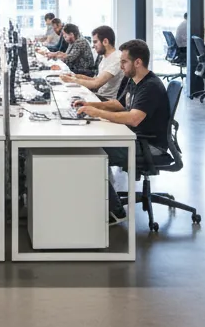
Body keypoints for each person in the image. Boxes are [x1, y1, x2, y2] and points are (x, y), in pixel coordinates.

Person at [71, 39, 171, 225]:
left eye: (124, 61)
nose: (121, 65)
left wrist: (97, 113)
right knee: (92, 145)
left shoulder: (151, 86)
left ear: (138, 62)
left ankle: (115, 210)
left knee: (91, 151)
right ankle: (106, 201)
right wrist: (90, 105)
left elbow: (134, 118)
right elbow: (120, 104)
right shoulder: (133, 79)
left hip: (149, 146)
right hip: (136, 137)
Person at [61, 25, 125, 101]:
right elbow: (95, 79)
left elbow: (96, 84)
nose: (93, 46)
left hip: (106, 100)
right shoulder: (105, 57)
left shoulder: (116, 58)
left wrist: (71, 80)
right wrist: (75, 76)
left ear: (105, 41)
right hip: (99, 95)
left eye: (95, 42)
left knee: (69, 99)